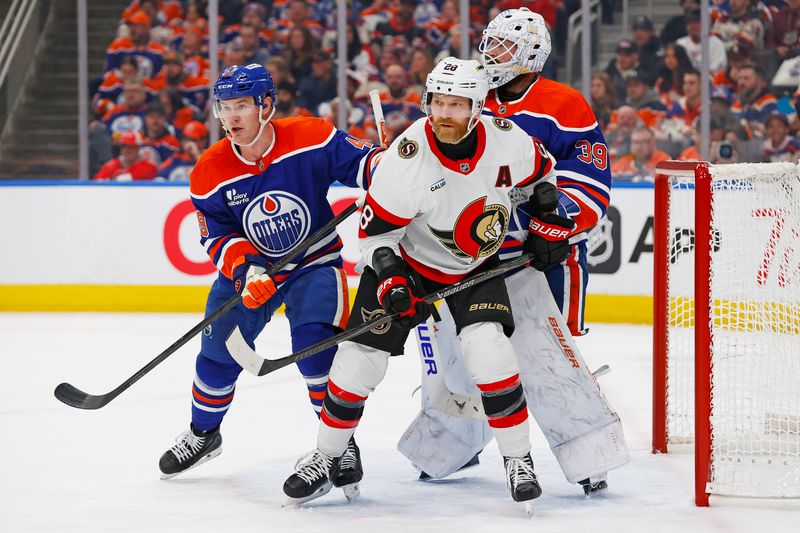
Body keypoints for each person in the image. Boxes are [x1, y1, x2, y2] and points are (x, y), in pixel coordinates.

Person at [283, 57, 558, 510]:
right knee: (358, 361)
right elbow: (375, 235)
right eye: (438, 102)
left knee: (488, 351)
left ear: (478, 107)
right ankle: (326, 456)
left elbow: (542, 177)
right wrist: (391, 281)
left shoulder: (510, 142)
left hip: (473, 265)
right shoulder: (405, 160)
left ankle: (518, 459)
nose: (444, 112)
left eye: (456, 103)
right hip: (405, 263)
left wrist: (550, 219)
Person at [400, 7, 628, 498]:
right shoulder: (470, 92)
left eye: (502, 46)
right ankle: (452, 441)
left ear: (530, 55)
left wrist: (549, 225)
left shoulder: (563, 104)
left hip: (536, 256)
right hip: (466, 258)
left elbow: (589, 182)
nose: (489, 53)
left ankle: (587, 450)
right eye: (489, 42)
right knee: (457, 354)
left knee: (542, 357)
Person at [158, 64, 383, 489]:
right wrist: (244, 269)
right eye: (224, 107)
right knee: (217, 356)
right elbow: (216, 235)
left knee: (315, 349)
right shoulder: (209, 169)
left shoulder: (310, 136)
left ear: (266, 105)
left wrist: (384, 168)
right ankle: (204, 434)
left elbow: (364, 164)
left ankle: (339, 444)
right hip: (253, 274)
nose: (231, 117)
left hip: (314, 264)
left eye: (241, 106)